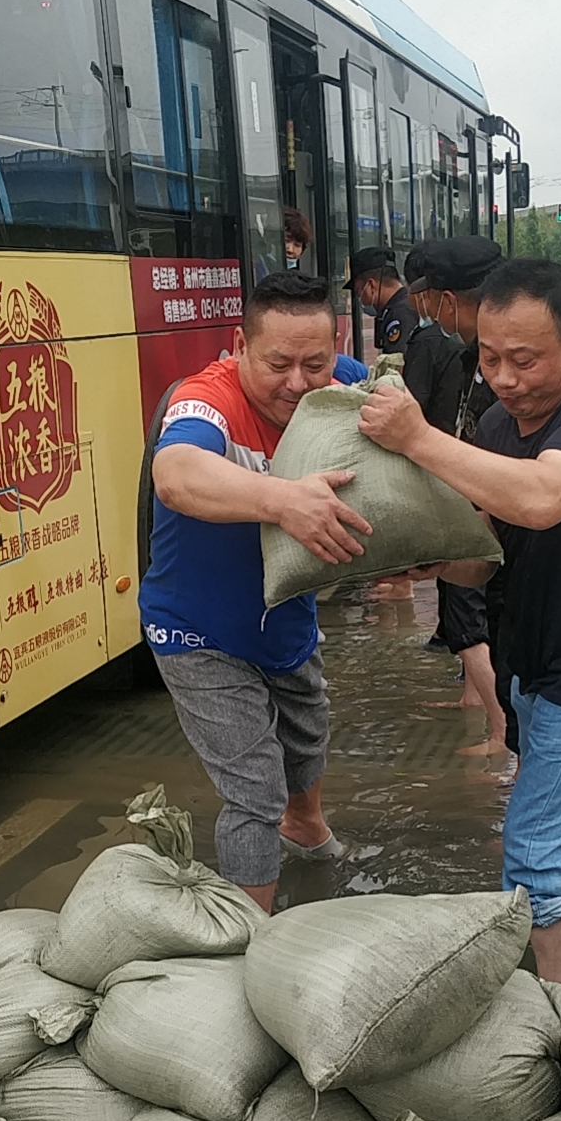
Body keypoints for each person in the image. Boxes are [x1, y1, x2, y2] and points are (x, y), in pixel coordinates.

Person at [358, 257, 561, 985]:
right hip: (528, 654)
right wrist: (425, 560)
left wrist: (417, 438)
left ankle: (560, 1013)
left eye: (524, 360)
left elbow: (542, 499)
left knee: (531, 846)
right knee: (557, 816)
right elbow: (485, 558)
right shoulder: (499, 426)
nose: (504, 377)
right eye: (491, 357)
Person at [139, 271, 373, 914]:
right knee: (254, 789)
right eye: (277, 364)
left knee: (308, 739)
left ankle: (307, 827)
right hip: (196, 630)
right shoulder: (205, 401)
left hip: (286, 617)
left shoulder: (344, 382)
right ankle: (249, 932)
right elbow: (175, 475)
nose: (296, 382)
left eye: (314, 364)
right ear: (241, 346)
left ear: (335, 349)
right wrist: (284, 501)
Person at [405, 236, 511, 752]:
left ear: (446, 299)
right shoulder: (472, 357)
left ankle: (502, 733)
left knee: (475, 624)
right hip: (475, 516)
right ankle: (487, 713)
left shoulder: (502, 367)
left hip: (493, 521)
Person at [345, 247, 418, 353]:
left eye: (358, 290)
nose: (359, 297)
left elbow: (396, 359)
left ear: (371, 285)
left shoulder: (400, 313)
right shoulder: (402, 305)